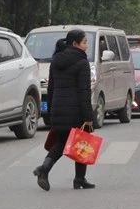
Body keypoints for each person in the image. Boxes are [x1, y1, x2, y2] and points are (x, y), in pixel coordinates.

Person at [33, 29, 95, 191]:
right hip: (75, 110)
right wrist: (88, 116)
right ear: (75, 44)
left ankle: (79, 178)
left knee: (63, 142)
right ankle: (44, 170)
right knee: (80, 141)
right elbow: (84, 92)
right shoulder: (82, 62)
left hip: (59, 108)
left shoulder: (56, 60)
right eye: (84, 42)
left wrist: (52, 110)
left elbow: (51, 88)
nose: (86, 46)